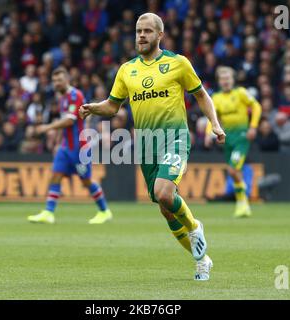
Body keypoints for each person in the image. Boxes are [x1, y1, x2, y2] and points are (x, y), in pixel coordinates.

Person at [79, 13, 225, 281]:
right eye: (138, 31)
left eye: (147, 31)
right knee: (164, 206)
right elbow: (113, 106)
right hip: (146, 144)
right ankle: (202, 260)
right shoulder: (127, 70)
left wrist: (214, 124)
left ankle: (194, 227)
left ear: (160, 35)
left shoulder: (178, 63)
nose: (141, 35)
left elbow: (201, 95)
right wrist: (94, 108)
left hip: (175, 136)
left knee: (165, 192)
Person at [27, 67, 112, 224]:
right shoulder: (62, 98)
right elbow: (64, 124)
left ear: (67, 80)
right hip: (66, 147)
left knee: (86, 181)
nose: (56, 83)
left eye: (59, 80)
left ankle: (104, 211)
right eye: (54, 81)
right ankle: (48, 212)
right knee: (56, 175)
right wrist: (57, 143)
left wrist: (46, 128)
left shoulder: (75, 95)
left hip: (79, 148)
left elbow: (70, 121)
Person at [205, 66, 261, 217]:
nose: (225, 81)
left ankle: (242, 201)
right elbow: (212, 117)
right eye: (222, 79)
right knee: (234, 171)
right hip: (227, 138)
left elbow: (256, 106)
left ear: (233, 80)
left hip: (242, 136)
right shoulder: (215, 98)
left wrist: (253, 127)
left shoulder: (241, 93)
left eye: (228, 78)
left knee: (233, 170)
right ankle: (243, 204)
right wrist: (207, 134)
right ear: (219, 81)